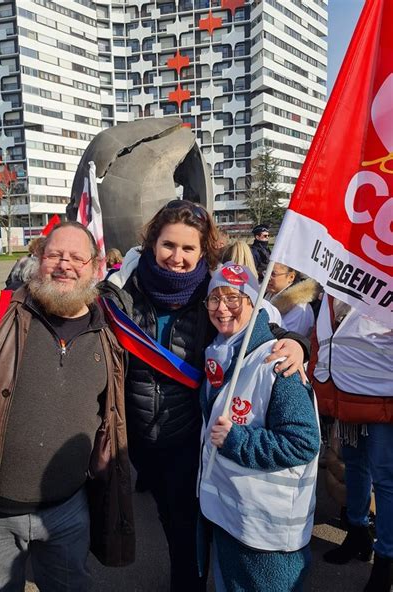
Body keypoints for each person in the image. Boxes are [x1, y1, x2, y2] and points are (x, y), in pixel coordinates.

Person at [100, 200, 310, 591]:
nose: (177, 257)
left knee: (191, 529)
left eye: (188, 248)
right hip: (144, 442)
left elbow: (257, 323)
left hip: (191, 438)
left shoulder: (212, 293)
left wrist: (297, 343)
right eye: (168, 245)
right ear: (152, 244)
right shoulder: (121, 292)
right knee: (171, 524)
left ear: (203, 251)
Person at [0, 222, 134, 591]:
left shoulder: (109, 332)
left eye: (76, 257)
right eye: (54, 255)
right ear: (38, 259)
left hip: (69, 509)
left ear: (95, 267)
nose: (64, 264)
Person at [199, 263, 320, 592]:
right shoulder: (220, 353)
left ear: (254, 303)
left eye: (234, 298)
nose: (222, 308)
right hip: (231, 518)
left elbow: (303, 442)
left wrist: (236, 440)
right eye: (214, 299)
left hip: (266, 534)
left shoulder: (278, 361)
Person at [309, 296, 393, 592]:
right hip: (347, 388)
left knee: (385, 479)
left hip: (383, 394)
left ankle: (386, 559)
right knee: (354, 465)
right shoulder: (338, 278)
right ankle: (357, 532)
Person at [266, 262, 320, 337]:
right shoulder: (264, 293)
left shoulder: (299, 307)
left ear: (291, 277)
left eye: (273, 274)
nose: (267, 277)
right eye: (266, 271)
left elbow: (287, 337)